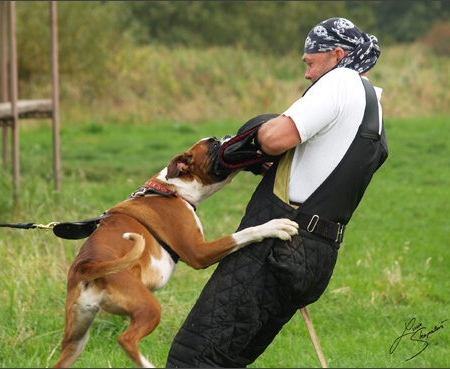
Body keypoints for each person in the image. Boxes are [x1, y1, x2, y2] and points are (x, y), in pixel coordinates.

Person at [166, 17, 388, 368]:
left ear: (337, 54)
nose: (307, 73)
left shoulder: (341, 81)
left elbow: (273, 138)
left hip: (275, 248)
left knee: (193, 357)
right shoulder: (372, 108)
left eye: (310, 62)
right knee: (227, 360)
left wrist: (248, 140)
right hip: (315, 255)